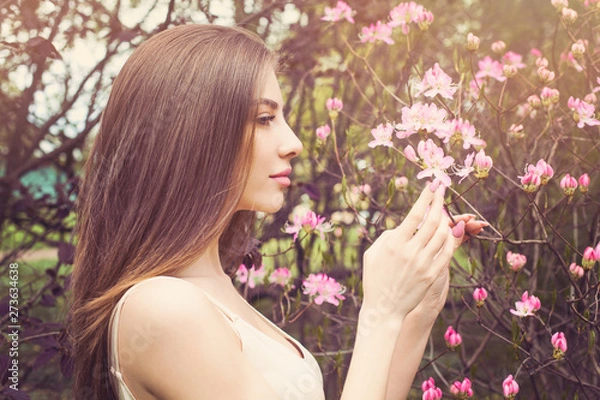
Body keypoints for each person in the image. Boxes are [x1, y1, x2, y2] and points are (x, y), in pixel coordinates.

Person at [66, 24, 486, 400]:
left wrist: (414, 311)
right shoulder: (163, 309)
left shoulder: (207, 288)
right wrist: (384, 311)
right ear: (192, 133)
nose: (293, 142)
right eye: (265, 118)